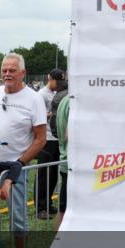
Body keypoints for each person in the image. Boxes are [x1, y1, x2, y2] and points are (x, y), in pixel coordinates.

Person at [0, 53, 46, 248]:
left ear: (23, 73)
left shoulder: (34, 98)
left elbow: (40, 139)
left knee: (17, 218)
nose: (7, 74)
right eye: (4, 70)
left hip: (15, 167)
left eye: (12, 70)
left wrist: (20, 163)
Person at [35, 69, 64, 218]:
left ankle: (47, 203)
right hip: (46, 139)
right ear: (50, 78)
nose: (59, 84)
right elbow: (37, 115)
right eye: (57, 81)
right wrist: (54, 114)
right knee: (43, 173)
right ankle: (40, 207)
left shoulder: (57, 93)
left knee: (53, 174)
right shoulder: (41, 94)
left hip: (57, 139)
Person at [54, 93, 71, 231]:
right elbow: (70, 134)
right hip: (72, 163)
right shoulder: (74, 103)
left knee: (64, 207)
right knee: (65, 208)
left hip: (67, 160)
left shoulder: (65, 100)